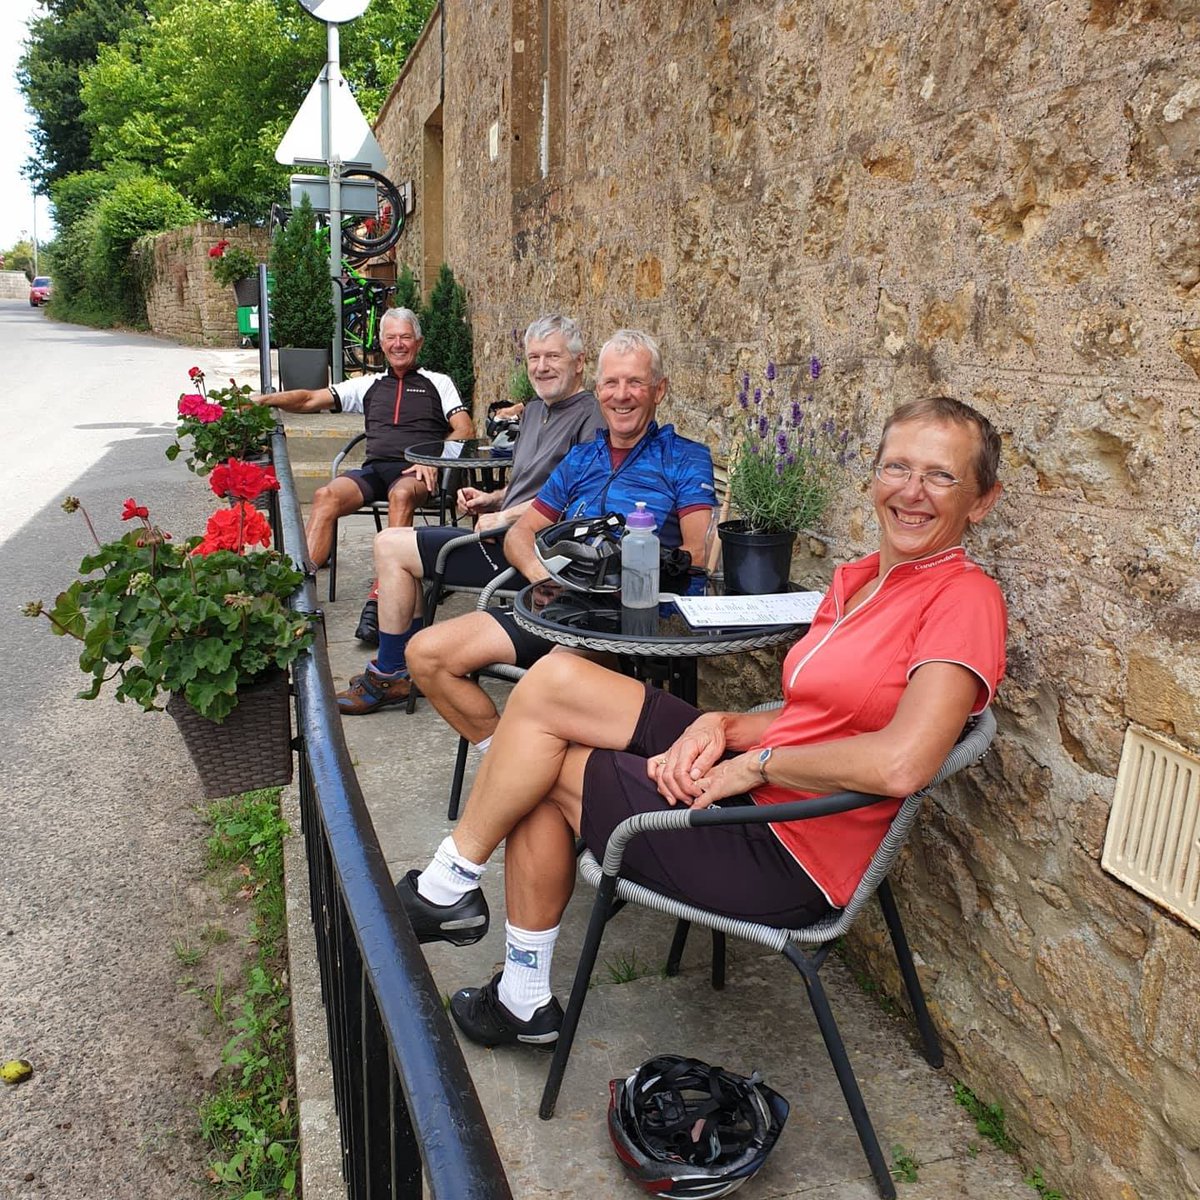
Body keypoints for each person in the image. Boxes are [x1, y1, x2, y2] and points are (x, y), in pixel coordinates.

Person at [395, 396, 1007, 1049]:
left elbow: (902, 763)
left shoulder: (964, 599)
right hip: (762, 786)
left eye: (941, 476)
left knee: (540, 772)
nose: (912, 491)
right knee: (556, 680)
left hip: (788, 848)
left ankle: (510, 982)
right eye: (898, 467)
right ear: (876, 475)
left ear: (981, 501)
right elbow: (820, 716)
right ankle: (452, 883)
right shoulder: (859, 579)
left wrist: (757, 765)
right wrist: (724, 726)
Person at [338, 330, 717, 759]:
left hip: (627, 620)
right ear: (598, 390)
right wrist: (544, 578)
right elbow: (522, 532)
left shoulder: (684, 457)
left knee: (541, 690)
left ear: (659, 390)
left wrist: (621, 576)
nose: (621, 395)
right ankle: (511, 758)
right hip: (559, 609)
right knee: (424, 654)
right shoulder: (582, 459)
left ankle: (528, 767)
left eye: (636, 382)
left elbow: (697, 555)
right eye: (611, 383)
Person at [338, 313, 603, 699]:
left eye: (553, 357)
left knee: (391, 546)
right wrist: (492, 498)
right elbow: (534, 485)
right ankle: (403, 667)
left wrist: (506, 515)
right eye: (533, 357)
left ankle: (392, 672)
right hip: (501, 536)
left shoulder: (591, 417)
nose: (541, 367)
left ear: (579, 362)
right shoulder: (535, 411)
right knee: (395, 544)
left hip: (532, 557)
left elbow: (581, 501)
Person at [253, 307, 473, 567]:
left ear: (419, 342)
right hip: (374, 471)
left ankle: (389, 581)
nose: (398, 344)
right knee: (325, 495)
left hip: (415, 474)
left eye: (405, 337)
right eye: (391, 338)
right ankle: (300, 578)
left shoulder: (438, 382)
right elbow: (309, 399)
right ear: (381, 343)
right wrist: (264, 401)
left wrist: (432, 460)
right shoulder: (369, 384)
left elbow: (465, 429)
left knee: (401, 495)